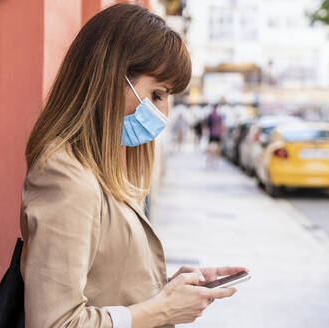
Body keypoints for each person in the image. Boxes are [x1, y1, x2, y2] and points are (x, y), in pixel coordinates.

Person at [19, 4, 247, 328]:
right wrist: (163, 310)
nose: (164, 112)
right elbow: (55, 322)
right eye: (156, 94)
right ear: (111, 79)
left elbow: (103, 283)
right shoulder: (65, 176)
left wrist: (168, 289)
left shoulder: (100, 167)